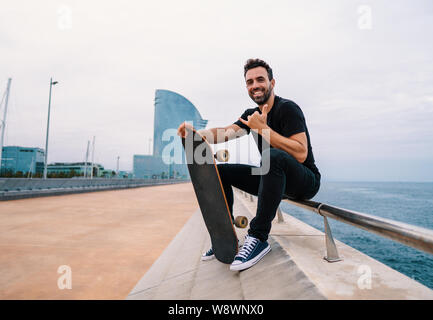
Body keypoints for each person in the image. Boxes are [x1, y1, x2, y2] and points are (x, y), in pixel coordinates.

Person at [177, 58, 321, 271]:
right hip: (273, 177)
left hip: (304, 181)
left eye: (260, 79)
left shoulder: (288, 109)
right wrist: (197, 135)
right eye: (250, 81)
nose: (255, 85)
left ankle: (258, 238)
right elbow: (225, 133)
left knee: (273, 157)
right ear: (246, 86)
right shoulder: (250, 116)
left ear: (272, 83)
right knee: (219, 171)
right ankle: (225, 238)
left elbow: (301, 153)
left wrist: (263, 129)